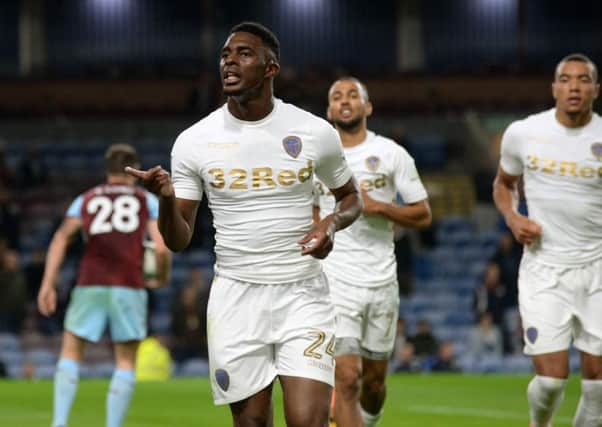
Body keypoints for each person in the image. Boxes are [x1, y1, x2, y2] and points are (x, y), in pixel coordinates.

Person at [126, 22, 361, 427]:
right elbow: (178, 239)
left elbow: (351, 198)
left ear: (271, 69)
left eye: (244, 54)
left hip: (302, 293)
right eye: (225, 55)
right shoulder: (194, 141)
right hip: (236, 297)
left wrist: (332, 224)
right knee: (251, 422)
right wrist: (165, 201)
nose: (230, 61)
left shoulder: (313, 132)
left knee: (308, 421)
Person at [314, 77, 431, 427]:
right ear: (329, 110)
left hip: (381, 281)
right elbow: (310, 213)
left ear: (368, 107)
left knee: (374, 384)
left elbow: (423, 213)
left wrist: (382, 208)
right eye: (337, 96)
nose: (345, 101)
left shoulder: (392, 154)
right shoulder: (317, 158)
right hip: (336, 281)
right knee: (347, 378)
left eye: (353, 95)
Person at [493, 53, 602, 427]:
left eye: (583, 80)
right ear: (554, 87)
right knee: (551, 380)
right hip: (544, 269)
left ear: (596, 90)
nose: (574, 86)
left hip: (597, 270)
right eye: (566, 79)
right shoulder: (524, 133)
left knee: (598, 388)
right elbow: (503, 184)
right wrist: (512, 217)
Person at [37, 144, 171, 427]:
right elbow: (160, 248)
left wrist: (47, 284)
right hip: (129, 285)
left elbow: (61, 238)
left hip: (89, 282)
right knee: (124, 360)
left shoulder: (86, 199)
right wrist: (162, 275)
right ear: (134, 169)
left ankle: (59, 422)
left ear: (107, 169)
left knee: (71, 352)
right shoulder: (146, 201)